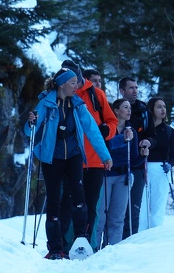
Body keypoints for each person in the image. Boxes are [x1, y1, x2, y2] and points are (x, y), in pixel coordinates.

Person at [24, 67, 113, 260]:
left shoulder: (78, 105)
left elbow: (93, 131)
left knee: (78, 196)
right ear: (62, 84)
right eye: (73, 83)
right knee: (54, 200)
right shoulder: (46, 103)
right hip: (51, 158)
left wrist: (105, 156)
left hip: (73, 156)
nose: (77, 86)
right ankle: (55, 247)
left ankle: (81, 238)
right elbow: (29, 132)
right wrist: (31, 122)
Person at [58, 60, 118, 251]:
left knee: (91, 206)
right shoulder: (64, 94)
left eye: (75, 79)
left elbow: (112, 121)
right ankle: (64, 245)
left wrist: (105, 131)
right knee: (67, 204)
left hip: (94, 161)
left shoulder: (96, 95)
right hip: (70, 159)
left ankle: (86, 245)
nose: (73, 83)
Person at [95, 99, 146, 248]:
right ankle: (95, 248)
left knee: (117, 217)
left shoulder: (132, 132)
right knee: (101, 217)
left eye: (129, 107)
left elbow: (134, 160)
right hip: (106, 175)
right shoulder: (107, 129)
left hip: (123, 177)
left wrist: (143, 156)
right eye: (125, 107)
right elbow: (103, 148)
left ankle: (111, 249)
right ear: (116, 110)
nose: (129, 110)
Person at [118, 77, 157, 239]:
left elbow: (153, 136)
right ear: (122, 91)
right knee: (116, 209)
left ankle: (129, 242)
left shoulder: (144, 112)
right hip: (117, 167)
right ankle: (111, 243)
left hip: (138, 165)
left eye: (136, 88)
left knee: (133, 209)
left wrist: (148, 141)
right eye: (131, 88)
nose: (135, 91)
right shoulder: (115, 109)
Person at [139, 97, 174, 229]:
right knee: (142, 203)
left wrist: (169, 165)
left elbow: (173, 156)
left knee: (159, 203)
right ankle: (140, 233)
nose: (163, 110)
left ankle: (156, 231)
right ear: (151, 109)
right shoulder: (144, 129)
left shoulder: (169, 131)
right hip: (144, 167)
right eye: (159, 107)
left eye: (164, 107)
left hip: (161, 169)